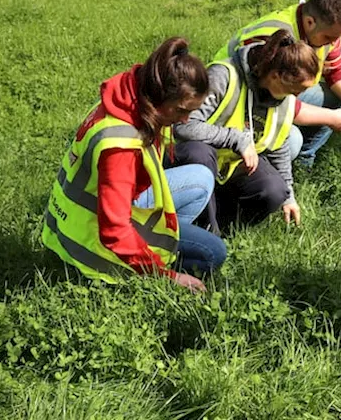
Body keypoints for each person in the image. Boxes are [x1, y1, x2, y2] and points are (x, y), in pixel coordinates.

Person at [42, 37, 227, 293]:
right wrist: (166, 276)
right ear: (159, 98)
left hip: (82, 215)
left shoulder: (126, 98)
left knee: (200, 178)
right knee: (212, 253)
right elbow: (113, 231)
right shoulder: (119, 147)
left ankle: (157, 250)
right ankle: (148, 269)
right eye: (180, 110)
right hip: (89, 243)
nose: (185, 120)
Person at [176, 31, 341, 231]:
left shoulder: (284, 97)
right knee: (198, 152)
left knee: (275, 191)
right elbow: (183, 126)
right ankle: (203, 230)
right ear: (276, 76)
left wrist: (289, 197)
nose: (299, 95)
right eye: (297, 89)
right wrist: (235, 139)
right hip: (190, 162)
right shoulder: (223, 76)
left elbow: (279, 145)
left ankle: (221, 229)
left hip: (231, 170)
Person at [214, 0, 341, 168]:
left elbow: (337, 70)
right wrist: (331, 118)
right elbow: (270, 97)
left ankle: (303, 164)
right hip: (235, 100)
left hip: (282, 93)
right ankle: (248, 171)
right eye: (330, 37)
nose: (333, 42)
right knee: (292, 139)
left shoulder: (326, 31)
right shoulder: (274, 38)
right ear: (310, 22)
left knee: (337, 98)